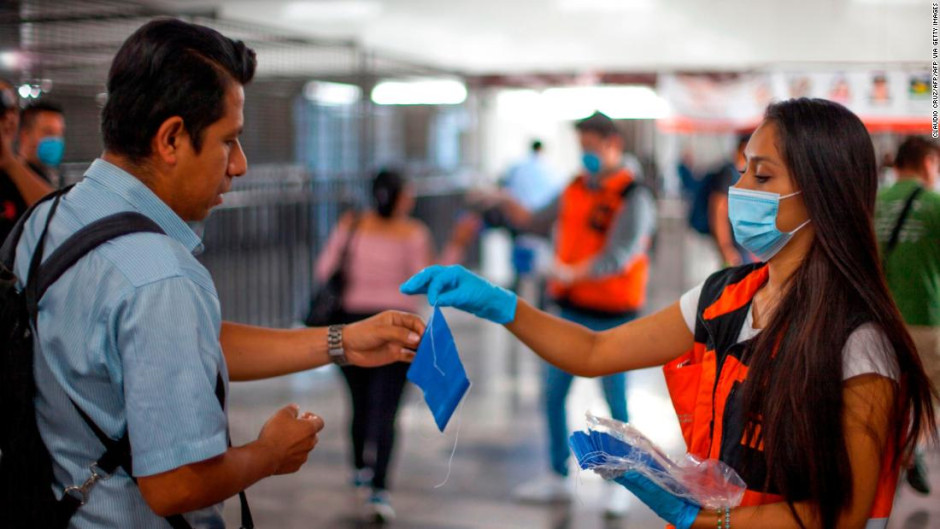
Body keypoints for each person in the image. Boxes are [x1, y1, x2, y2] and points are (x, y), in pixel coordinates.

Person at [402, 98, 937, 529]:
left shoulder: (858, 343)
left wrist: (701, 519)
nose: (738, 191)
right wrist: (499, 304)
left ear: (821, 193)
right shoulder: (724, 298)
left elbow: (842, 516)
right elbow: (595, 350)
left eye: (762, 177)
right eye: (743, 171)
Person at [9, 19, 424, 528]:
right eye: (229, 141)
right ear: (171, 139)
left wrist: (343, 341)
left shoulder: (50, 217)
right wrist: (269, 453)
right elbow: (177, 483)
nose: (239, 164)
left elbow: (174, 345)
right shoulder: (160, 277)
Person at [496, 111, 657, 517]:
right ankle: (557, 475)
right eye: (581, 147)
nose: (586, 154)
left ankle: (622, 483)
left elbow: (620, 255)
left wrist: (571, 271)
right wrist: (503, 201)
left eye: (591, 147)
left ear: (613, 144)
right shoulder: (574, 187)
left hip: (614, 315)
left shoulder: (633, 195)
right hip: (568, 311)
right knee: (552, 393)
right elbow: (534, 220)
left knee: (615, 402)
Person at [314, 169, 479, 523]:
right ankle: (379, 490)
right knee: (386, 409)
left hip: (351, 326)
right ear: (400, 198)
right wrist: (458, 244)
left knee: (358, 402)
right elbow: (429, 283)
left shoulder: (351, 224)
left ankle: (360, 469)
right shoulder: (413, 233)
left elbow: (324, 269)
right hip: (397, 328)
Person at [875, 136, 940, 495]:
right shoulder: (934, 204)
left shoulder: (873, 202)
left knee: (887, 389)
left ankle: (887, 448)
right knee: (930, 394)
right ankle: (912, 445)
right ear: (928, 161)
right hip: (924, 316)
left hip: (878, 320)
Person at [0, 80, 53, 242]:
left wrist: (9, 162)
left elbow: (56, 218)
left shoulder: (24, 175)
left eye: (13, 111)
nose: (8, 119)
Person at [707, 134, 754, 267]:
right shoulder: (729, 174)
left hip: (740, 246)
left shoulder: (741, 174)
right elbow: (719, 211)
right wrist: (725, 247)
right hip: (733, 248)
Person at [17, 100, 66, 183]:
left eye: (60, 134)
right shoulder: (12, 180)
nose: (56, 140)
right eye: (49, 133)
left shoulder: (55, 178)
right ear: (25, 135)